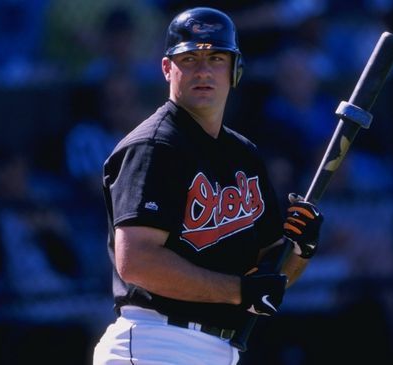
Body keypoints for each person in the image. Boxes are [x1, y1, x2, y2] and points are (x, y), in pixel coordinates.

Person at [92, 7, 324, 365]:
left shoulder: (244, 155)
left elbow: (268, 282)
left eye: (216, 57)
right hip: (156, 343)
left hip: (218, 350)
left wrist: (299, 250)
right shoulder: (153, 147)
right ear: (167, 68)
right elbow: (136, 260)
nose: (203, 70)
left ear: (236, 70)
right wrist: (239, 291)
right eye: (190, 58)